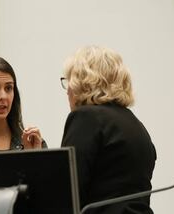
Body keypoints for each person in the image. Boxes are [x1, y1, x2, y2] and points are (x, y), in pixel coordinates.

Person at [60, 46, 157, 214]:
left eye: (69, 81)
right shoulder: (135, 124)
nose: (67, 90)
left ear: (81, 82)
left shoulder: (86, 118)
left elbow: (68, 192)